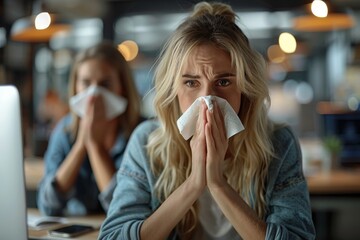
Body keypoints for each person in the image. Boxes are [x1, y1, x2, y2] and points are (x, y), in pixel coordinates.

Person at [99, 2, 316, 240]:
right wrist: (193, 184)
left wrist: (217, 184)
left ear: (244, 89)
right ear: (174, 89)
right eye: (191, 83)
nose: (207, 99)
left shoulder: (278, 144)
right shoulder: (147, 143)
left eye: (223, 82)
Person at [37, 41, 143, 216]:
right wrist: (81, 145)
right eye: (86, 83)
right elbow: (47, 205)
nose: (94, 94)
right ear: (75, 87)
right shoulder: (64, 132)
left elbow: (124, 210)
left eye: (105, 84)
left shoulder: (141, 135)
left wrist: (94, 146)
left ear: (122, 87)